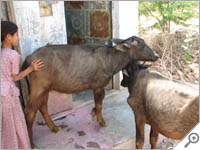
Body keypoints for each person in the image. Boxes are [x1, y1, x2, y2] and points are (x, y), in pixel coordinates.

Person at [1, 21, 44, 149]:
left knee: (5, 126)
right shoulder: (13, 55)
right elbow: (16, 77)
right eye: (17, 35)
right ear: (8, 36)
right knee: (15, 124)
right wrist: (31, 68)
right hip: (8, 96)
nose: (18, 38)